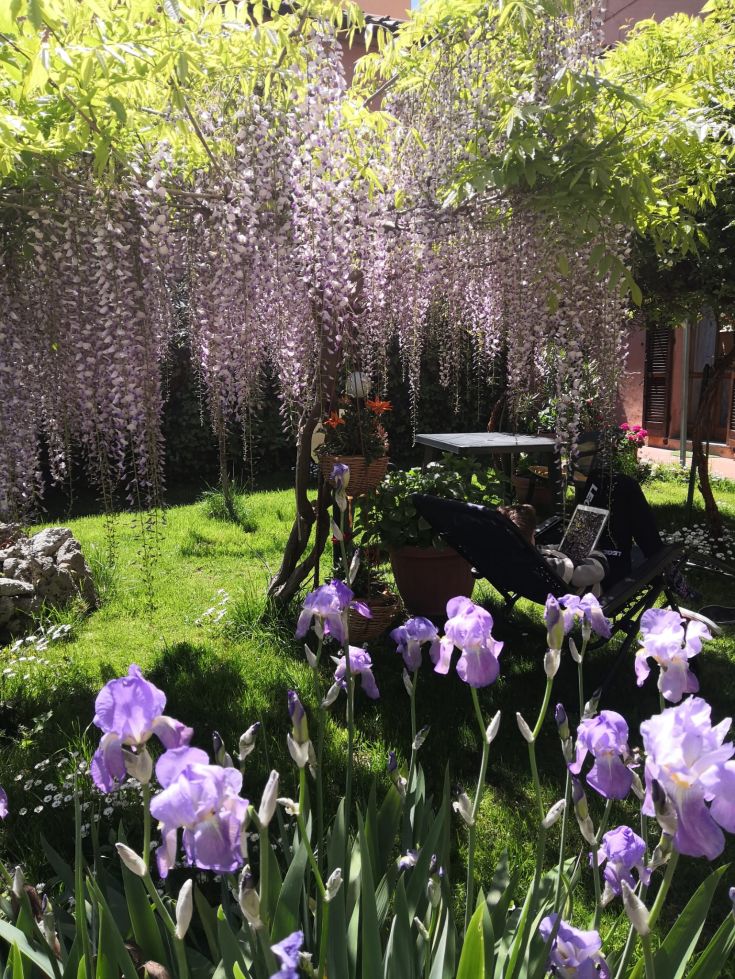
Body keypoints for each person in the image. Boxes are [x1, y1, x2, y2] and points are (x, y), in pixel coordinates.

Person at [498, 503, 609, 596]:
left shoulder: (514, 555)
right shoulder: (552, 567)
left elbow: (540, 550)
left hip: (533, 588)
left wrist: (562, 547)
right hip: (587, 594)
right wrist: (596, 552)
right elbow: (596, 572)